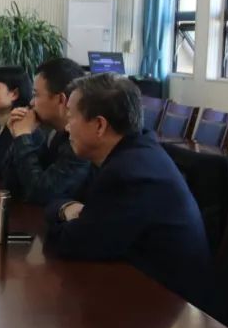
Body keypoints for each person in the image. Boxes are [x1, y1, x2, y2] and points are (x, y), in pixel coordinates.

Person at [45, 73, 215, 312]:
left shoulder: (128, 173)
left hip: (170, 307)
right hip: (148, 293)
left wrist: (63, 211)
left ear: (100, 125)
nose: (66, 127)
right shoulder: (135, 151)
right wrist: (67, 209)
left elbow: (70, 243)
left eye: (71, 117)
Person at [2, 58, 92, 204]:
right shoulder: (53, 133)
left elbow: (40, 194)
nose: (31, 102)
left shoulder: (81, 142)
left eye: (36, 95)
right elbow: (11, 185)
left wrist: (22, 136)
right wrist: (19, 137)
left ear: (61, 99)